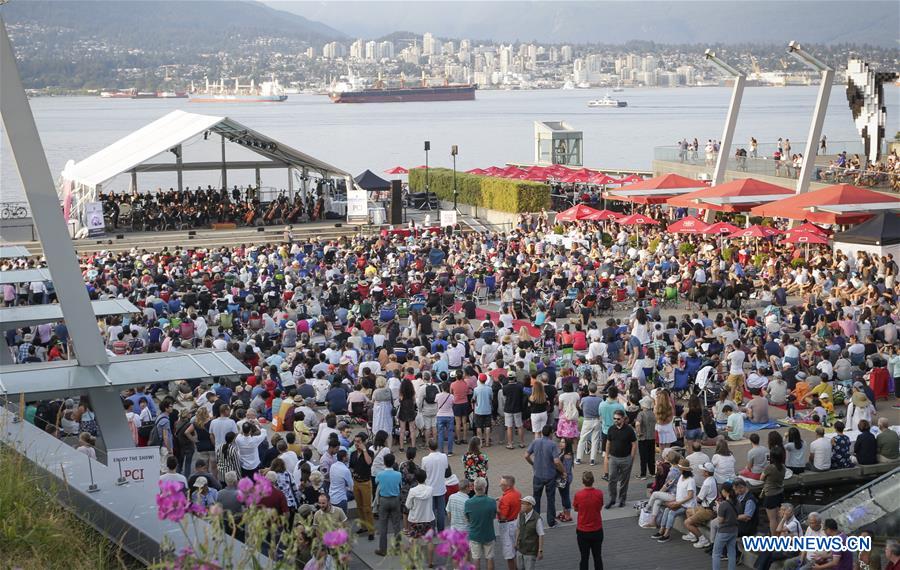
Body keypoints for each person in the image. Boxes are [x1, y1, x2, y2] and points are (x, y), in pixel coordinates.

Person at [525, 424, 564, 528]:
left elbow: (526, 455)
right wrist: (563, 471)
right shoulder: (552, 444)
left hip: (537, 475)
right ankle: (551, 521)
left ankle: (536, 521)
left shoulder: (535, 442)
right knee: (550, 499)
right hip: (550, 475)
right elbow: (556, 461)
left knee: (536, 498)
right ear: (551, 433)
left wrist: (533, 464)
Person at [753, 502, 802, 570]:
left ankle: (757, 568)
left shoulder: (794, 523)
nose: (779, 512)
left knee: (768, 554)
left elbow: (778, 530)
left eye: (782, 510)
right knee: (767, 553)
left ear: (789, 512)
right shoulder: (786, 521)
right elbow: (780, 535)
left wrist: (784, 518)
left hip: (793, 551)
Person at [604, 409, 636, 509]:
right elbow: (608, 443)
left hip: (626, 458)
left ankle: (622, 499)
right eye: (614, 418)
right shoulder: (611, 429)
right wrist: (607, 456)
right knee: (611, 479)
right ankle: (612, 499)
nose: (615, 420)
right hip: (613, 458)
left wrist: (631, 458)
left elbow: (634, 444)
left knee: (624, 481)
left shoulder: (629, 430)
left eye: (618, 419)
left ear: (623, 419)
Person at [573, 471, 604, 570]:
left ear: (583, 481)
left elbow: (576, 509)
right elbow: (600, 506)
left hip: (583, 531)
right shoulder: (599, 493)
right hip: (597, 529)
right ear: (593, 481)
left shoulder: (578, 495)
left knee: (584, 558)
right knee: (597, 557)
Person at [465, 477, 497, 570]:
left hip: (475, 534)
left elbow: (468, 518)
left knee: (476, 558)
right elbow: (493, 516)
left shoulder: (468, 503)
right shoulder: (492, 501)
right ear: (485, 487)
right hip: (488, 534)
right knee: (489, 557)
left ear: (474, 488)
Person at [374, 453, 402, 557]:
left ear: (384, 462)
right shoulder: (398, 474)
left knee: (383, 525)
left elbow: (376, 482)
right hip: (395, 499)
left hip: (384, 500)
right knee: (396, 525)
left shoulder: (380, 474)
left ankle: (383, 549)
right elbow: (400, 484)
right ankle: (398, 547)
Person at [405, 469, 435, 566]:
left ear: (416, 479)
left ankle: (413, 563)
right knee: (429, 541)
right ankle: (430, 562)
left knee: (414, 540)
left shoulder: (412, 491)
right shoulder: (430, 489)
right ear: (425, 478)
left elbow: (408, 505)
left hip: (415, 519)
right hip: (428, 518)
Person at [684, 462, 717, 548]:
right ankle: (693, 534)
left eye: (703, 470)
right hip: (706, 508)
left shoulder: (707, 483)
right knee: (688, 511)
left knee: (687, 523)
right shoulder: (712, 479)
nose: (701, 471)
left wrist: (690, 502)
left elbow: (699, 499)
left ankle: (703, 540)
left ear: (706, 472)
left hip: (707, 511)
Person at [349, 432, 375, 540]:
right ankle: (363, 526)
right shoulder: (353, 454)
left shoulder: (369, 452)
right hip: (356, 482)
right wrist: (353, 473)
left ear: (364, 442)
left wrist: (364, 450)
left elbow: (369, 462)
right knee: (359, 506)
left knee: (367, 508)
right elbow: (351, 466)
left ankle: (371, 530)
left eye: (359, 442)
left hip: (365, 483)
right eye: (355, 441)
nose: (356, 444)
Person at [422, 439, 449, 531]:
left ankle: (432, 529)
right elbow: (446, 467)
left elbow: (423, 472)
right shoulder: (444, 457)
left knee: (431, 511)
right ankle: (441, 530)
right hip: (441, 487)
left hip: (430, 488)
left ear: (429, 447)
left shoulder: (425, 459)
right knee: (441, 511)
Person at [759, 445, 787, 535]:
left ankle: (774, 537)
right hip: (780, 493)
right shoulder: (783, 467)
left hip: (770, 495)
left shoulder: (770, 468)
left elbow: (761, 478)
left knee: (772, 519)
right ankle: (780, 535)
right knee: (779, 517)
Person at [711, 481, 739, 570]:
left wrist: (718, 508)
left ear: (724, 491)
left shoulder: (723, 504)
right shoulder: (737, 502)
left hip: (724, 531)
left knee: (716, 553)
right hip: (734, 530)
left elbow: (720, 520)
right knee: (732, 553)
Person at [497, 475, 522, 570]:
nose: (500, 486)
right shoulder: (518, 493)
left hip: (507, 526)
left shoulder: (505, 499)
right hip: (516, 522)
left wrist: (496, 508)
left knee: (509, 554)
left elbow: (503, 517)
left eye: (502, 484)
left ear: (507, 486)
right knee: (514, 549)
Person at [515, 495, 545, 570]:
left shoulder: (537, 519)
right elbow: (518, 528)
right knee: (519, 568)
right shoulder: (520, 514)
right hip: (520, 548)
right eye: (521, 503)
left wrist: (540, 550)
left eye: (524, 504)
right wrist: (516, 542)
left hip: (530, 551)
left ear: (530, 505)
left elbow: (541, 535)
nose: (521, 505)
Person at [575, 382, 602, 466]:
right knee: (595, 440)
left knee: (582, 439)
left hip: (587, 420)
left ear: (588, 390)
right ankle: (592, 460)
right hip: (597, 420)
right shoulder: (600, 400)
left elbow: (580, 407)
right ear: (596, 390)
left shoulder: (584, 399)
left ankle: (578, 458)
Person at [634, 396, 656, 479]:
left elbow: (638, 424)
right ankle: (652, 472)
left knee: (643, 457)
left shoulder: (641, 414)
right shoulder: (652, 413)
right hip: (652, 437)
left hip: (643, 438)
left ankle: (643, 474)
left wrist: (638, 433)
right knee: (651, 456)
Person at [502, 375, 526, 450]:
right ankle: (522, 443)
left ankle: (510, 444)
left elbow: (505, 396)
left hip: (508, 409)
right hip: (517, 408)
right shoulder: (519, 387)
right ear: (515, 378)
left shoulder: (505, 387)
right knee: (519, 426)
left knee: (509, 427)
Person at [328, 449, 354, 514]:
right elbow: (352, 486)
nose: (348, 457)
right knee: (343, 519)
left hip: (331, 497)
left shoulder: (332, 466)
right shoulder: (345, 470)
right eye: (347, 455)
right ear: (344, 458)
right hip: (341, 499)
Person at [473, 375, 494, 447]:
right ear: (486, 380)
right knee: (487, 426)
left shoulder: (476, 389)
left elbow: (474, 398)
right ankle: (487, 442)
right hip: (487, 409)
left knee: (479, 427)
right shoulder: (489, 389)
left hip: (478, 410)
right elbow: (491, 398)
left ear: (479, 380)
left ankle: (480, 443)